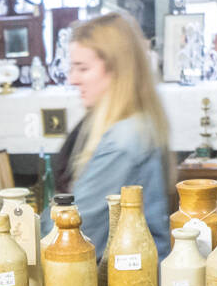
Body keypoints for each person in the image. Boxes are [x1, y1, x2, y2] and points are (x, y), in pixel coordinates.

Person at [48, 13, 172, 254]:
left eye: (82, 68)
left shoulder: (125, 139)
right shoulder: (119, 123)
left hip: (128, 280)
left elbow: (78, 226)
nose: (73, 79)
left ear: (117, 70)